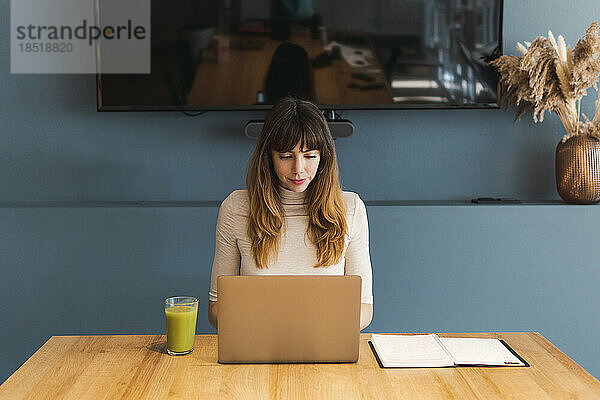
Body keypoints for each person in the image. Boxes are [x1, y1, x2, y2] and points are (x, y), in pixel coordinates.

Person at [208, 96, 373, 330]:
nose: (298, 169)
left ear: (323, 157)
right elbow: (215, 307)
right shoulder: (236, 208)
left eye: (309, 156)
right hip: (257, 344)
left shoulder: (351, 208)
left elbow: (364, 306)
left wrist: (325, 327)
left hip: (324, 343)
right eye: (285, 156)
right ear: (269, 157)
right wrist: (250, 324)